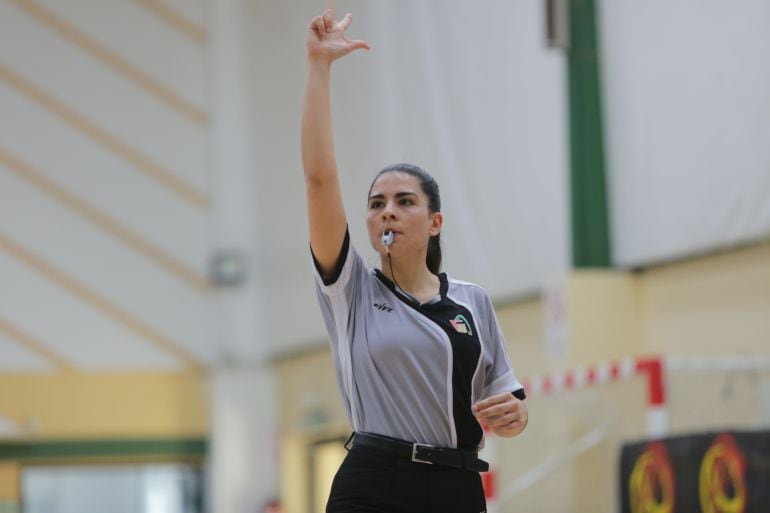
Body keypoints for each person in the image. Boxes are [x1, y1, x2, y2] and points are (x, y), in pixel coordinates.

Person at [302, 6, 528, 513]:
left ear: (434, 223)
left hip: (458, 485)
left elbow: (507, 399)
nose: (389, 212)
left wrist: (516, 416)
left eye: (405, 202)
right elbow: (319, 178)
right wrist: (319, 66)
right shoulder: (350, 290)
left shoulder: (473, 302)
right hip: (373, 482)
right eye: (377, 203)